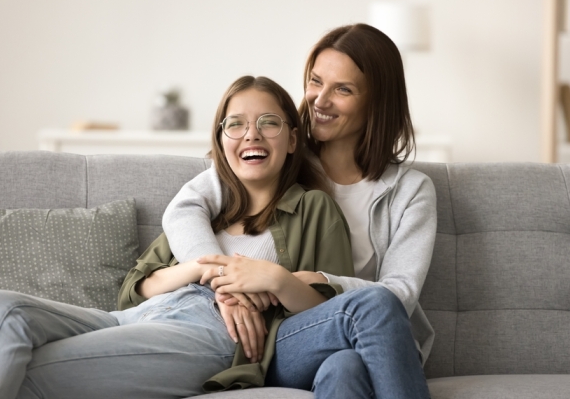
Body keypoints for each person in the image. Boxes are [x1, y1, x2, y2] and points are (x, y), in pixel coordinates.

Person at [0, 75, 355, 399]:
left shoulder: (312, 208)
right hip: (128, 318)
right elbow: (134, 289)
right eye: (236, 124)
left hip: (208, 334)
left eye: (268, 122)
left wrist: (264, 284)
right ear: (221, 142)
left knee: (20, 368)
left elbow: (331, 309)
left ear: (292, 140)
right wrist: (207, 271)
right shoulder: (202, 216)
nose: (251, 134)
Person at [163, 23, 437, 399]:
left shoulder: (410, 191)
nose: (319, 100)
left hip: (359, 342)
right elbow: (184, 208)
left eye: (343, 89)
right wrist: (222, 279)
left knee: (346, 367)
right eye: (315, 81)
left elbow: (400, 293)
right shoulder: (279, 153)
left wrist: (313, 279)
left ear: (377, 101)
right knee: (370, 309)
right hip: (282, 338)